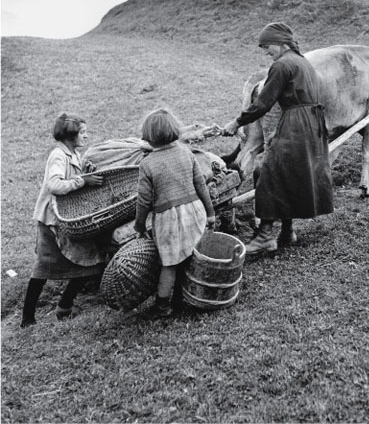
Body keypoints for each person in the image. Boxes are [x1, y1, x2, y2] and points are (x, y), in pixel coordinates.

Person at [222, 22, 334, 254]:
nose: (266, 52)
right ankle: (287, 230)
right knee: (290, 174)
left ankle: (264, 236)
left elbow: (263, 103)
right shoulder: (303, 62)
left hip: (296, 124)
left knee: (267, 172)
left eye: (268, 46)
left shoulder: (282, 65)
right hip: (312, 124)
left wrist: (237, 122)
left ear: (281, 44)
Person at [20, 113, 106, 328]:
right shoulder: (58, 155)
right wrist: (82, 181)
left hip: (66, 219)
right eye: (82, 133)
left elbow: (72, 177)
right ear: (70, 135)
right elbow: (55, 185)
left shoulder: (73, 154)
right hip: (52, 221)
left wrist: (85, 172)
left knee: (90, 261)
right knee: (43, 268)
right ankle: (27, 318)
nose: (86, 137)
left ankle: (64, 307)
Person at [134, 108, 215, 318]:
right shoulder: (186, 152)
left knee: (169, 263)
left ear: (149, 137)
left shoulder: (148, 164)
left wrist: (140, 226)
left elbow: (143, 200)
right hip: (194, 211)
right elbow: (200, 184)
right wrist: (210, 213)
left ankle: (163, 306)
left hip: (168, 219)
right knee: (192, 256)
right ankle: (189, 294)